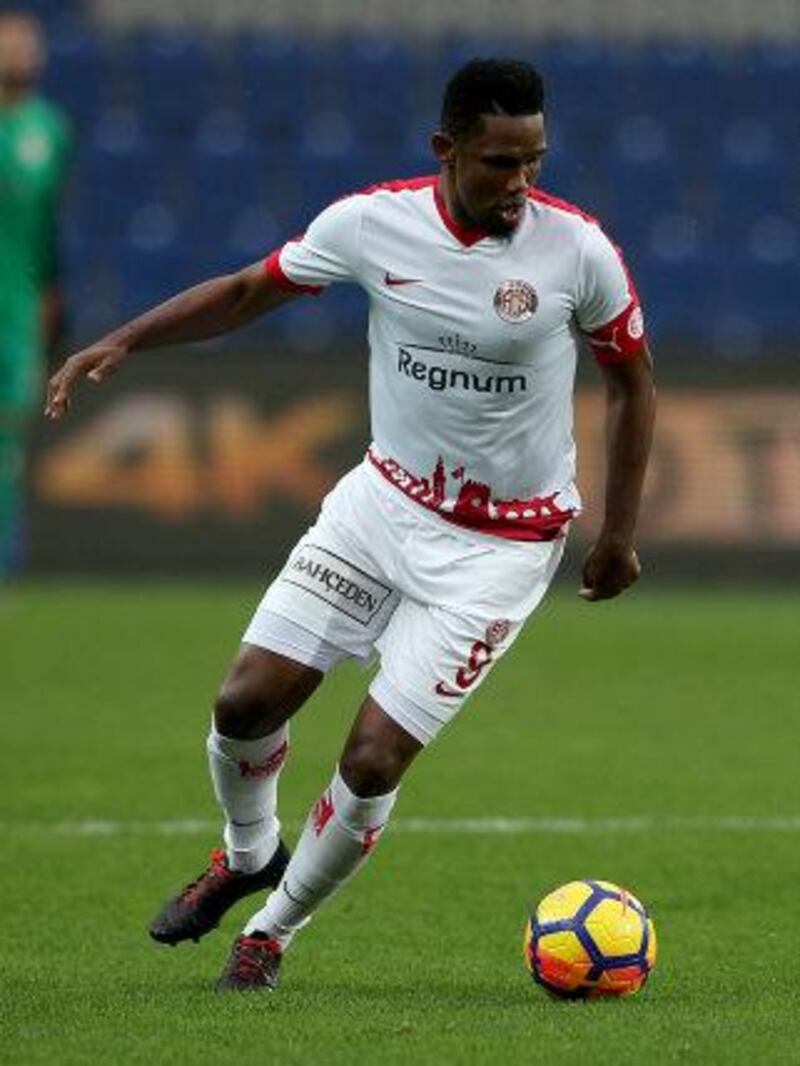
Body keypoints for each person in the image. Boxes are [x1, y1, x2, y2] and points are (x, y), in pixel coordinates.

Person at [46, 58, 655, 992]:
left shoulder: (576, 251)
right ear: (445, 151)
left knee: (371, 759)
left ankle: (272, 933)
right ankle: (248, 853)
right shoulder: (372, 223)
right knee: (243, 704)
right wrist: (125, 338)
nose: (520, 184)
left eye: (534, 160)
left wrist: (617, 532)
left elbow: (630, 383)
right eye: (499, 162)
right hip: (381, 506)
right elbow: (252, 289)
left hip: (502, 547)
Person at [0, 11, 70, 578]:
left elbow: (47, 225)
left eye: (28, 43)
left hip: (17, 307)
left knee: (8, 438)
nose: (21, 52)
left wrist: (48, 291)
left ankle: (5, 561)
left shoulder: (49, 129)